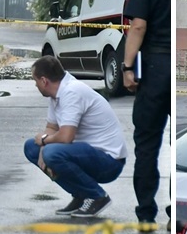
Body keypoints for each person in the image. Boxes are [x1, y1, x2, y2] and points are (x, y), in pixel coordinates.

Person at [24, 56, 128, 218]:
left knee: (52, 153)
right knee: (31, 147)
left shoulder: (71, 92)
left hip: (109, 161)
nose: (35, 84)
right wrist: (42, 147)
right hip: (86, 154)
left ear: (44, 81)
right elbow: (52, 127)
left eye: (35, 80)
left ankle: (97, 196)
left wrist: (44, 141)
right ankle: (81, 195)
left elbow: (66, 137)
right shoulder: (56, 94)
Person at [122, 0, 172, 225]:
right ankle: (175, 214)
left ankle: (145, 213)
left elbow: (137, 26)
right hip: (175, 68)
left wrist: (128, 67)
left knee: (148, 144)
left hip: (153, 69)